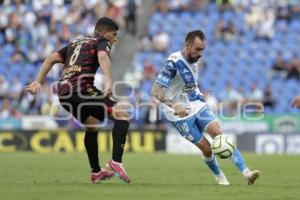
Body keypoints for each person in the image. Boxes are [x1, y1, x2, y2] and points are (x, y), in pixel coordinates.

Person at [25, 17, 131, 183]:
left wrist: (38, 81)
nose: (115, 38)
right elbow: (103, 56)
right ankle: (116, 161)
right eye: (114, 34)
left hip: (64, 93)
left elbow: (51, 58)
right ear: (103, 32)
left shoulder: (76, 43)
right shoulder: (101, 40)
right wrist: (110, 81)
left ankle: (96, 172)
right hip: (81, 89)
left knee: (92, 125)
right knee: (122, 115)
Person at [151, 30, 260, 185]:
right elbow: (155, 90)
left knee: (219, 134)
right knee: (207, 148)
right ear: (187, 46)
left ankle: (247, 173)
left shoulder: (196, 59)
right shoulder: (174, 63)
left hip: (196, 103)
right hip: (177, 113)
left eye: (203, 49)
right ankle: (219, 175)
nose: (201, 53)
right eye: (197, 49)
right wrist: (174, 104)